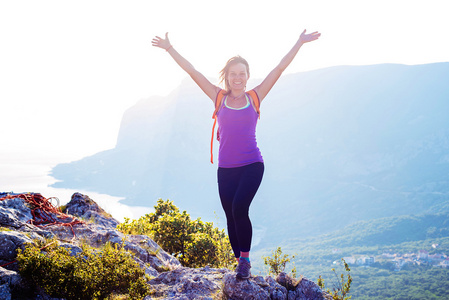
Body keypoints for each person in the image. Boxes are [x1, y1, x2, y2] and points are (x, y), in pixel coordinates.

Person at [152, 29, 320, 279]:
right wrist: (169, 48)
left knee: (240, 207)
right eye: (233, 74)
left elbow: (278, 69)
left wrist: (299, 42)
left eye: (242, 74)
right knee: (231, 216)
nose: (238, 78)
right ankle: (238, 262)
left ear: (248, 76)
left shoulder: (255, 97)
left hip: (252, 163)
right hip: (226, 168)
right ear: (227, 77)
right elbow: (193, 72)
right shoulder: (218, 97)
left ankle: (245, 261)